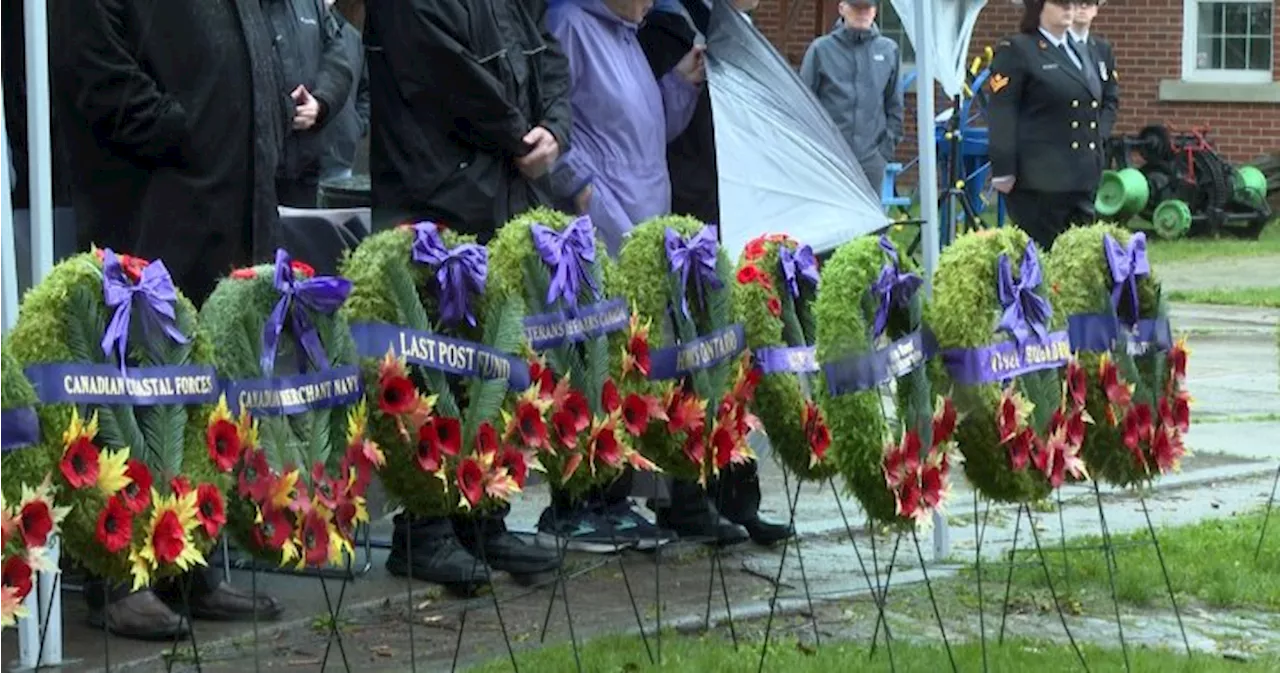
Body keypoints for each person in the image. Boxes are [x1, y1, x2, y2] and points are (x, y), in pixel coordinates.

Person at [50, 0, 290, 639]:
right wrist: (181, 131)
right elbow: (95, 69)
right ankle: (118, 577)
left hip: (226, 206)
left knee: (200, 405)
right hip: (150, 207)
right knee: (130, 393)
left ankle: (192, 564)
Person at [364, 0, 570, 589]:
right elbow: (449, 75)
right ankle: (424, 531)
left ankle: (484, 513)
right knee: (433, 373)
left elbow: (547, 51)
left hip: (500, 189)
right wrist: (518, 138)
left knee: (493, 366)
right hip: (434, 193)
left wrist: (553, 128)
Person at [535, 0, 720, 552]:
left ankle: (612, 497)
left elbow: (647, 131)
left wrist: (682, 85)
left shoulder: (624, 33)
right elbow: (548, 121)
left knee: (626, 369)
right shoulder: (569, 25)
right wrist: (580, 191)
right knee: (589, 363)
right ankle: (575, 505)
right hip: (599, 225)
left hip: (640, 225)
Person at [636, 0, 794, 548]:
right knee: (691, 360)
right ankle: (686, 495)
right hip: (688, 208)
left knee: (733, 361)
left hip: (731, 204)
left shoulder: (727, 24)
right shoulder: (665, 28)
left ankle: (737, 495)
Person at [987, 0, 1104, 251]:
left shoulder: (1081, 50)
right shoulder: (1018, 49)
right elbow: (1002, 112)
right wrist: (1003, 168)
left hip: (1080, 176)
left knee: (1079, 259)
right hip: (1040, 180)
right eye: (1060, 3)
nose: (1069, 8)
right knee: (1045, 258)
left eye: (1072, 3)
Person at [800, 0, 904, 193]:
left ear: (875, 11)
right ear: (842, 9)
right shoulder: (821, 50)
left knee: (872, 221)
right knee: (830, 219)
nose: (862, 13)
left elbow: (895, 106)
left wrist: (883, 152)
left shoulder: (889, 51)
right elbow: (804, 105)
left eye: (867, 8)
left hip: (871, 158)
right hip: (830, 157)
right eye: (856, 7)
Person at [263, 0, 356, 207]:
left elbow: (337, 62)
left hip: (306, 169)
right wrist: (282, 109)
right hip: (255, 172)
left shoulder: (311, 5)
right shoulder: (241, 9)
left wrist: (320, 103)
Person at [319, 0, 371, 183]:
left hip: (341, 157)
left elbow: (366, 90)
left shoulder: (352, 37)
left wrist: (357, 124)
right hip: (299, 163)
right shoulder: (294, 30)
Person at [1069, 0, 1119, 142]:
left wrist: (1100, 134)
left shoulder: (1102, 49)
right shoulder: (1055, 46)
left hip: (1093, 144)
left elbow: (1110, 98)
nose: (1083, 6)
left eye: (1089, 2)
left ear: (1096, 9)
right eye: (1077, 2)